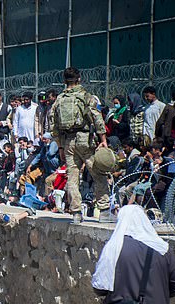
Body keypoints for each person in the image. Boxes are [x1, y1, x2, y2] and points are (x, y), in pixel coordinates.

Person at [51, 67, 111, 224]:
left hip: (68, 141)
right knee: (98, 173)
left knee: (72, 178)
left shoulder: (59, 99)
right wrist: (103, 139)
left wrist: (60, 147)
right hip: (85, 140)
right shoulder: (85, 96)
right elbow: (96, 117)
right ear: (79, 79)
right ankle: (104, 211)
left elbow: (54, 126)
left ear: (64, 81)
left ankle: (76, 213)